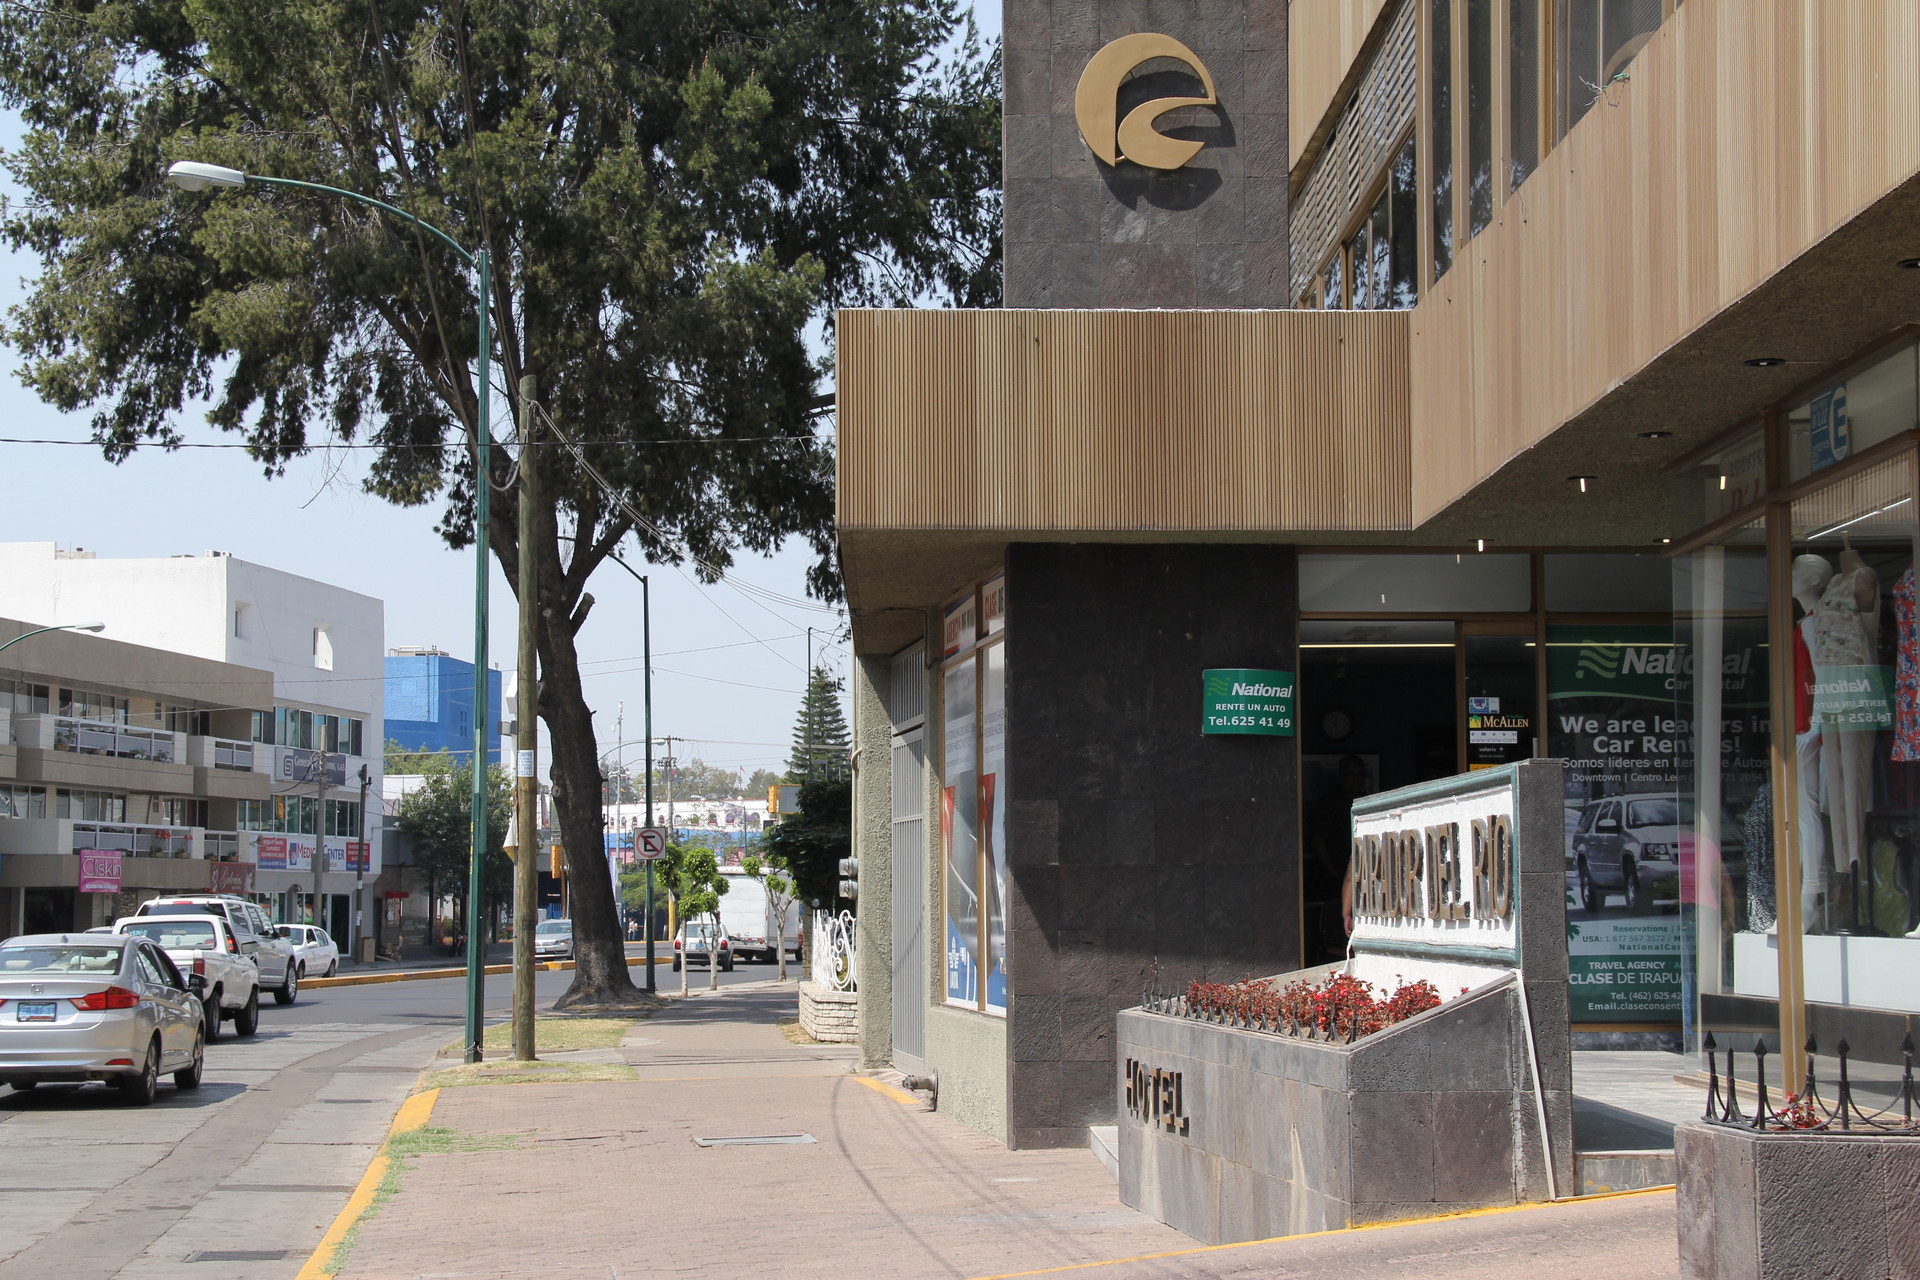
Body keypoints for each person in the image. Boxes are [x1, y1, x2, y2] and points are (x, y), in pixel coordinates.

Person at [1304, 755, 1371, 962]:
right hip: (1334, 878)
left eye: (1360, 774)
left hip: (1365, 878)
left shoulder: (1367, 803)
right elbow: (1318, 840)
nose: (1356, 779)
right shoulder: (1328, 805)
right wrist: (1333, 871)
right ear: (1342, 776)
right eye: (1352, 774)